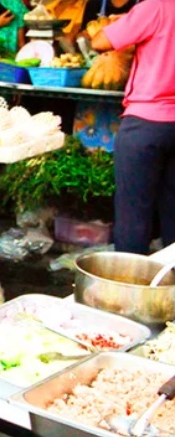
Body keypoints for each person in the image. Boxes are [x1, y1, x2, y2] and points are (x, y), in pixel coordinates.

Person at [91, 0, 175, 254]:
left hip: (146, 122)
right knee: (173, 210)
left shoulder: (156, 7)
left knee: (133, 214)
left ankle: (129, 287)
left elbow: (101, 42)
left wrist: (123, 22)